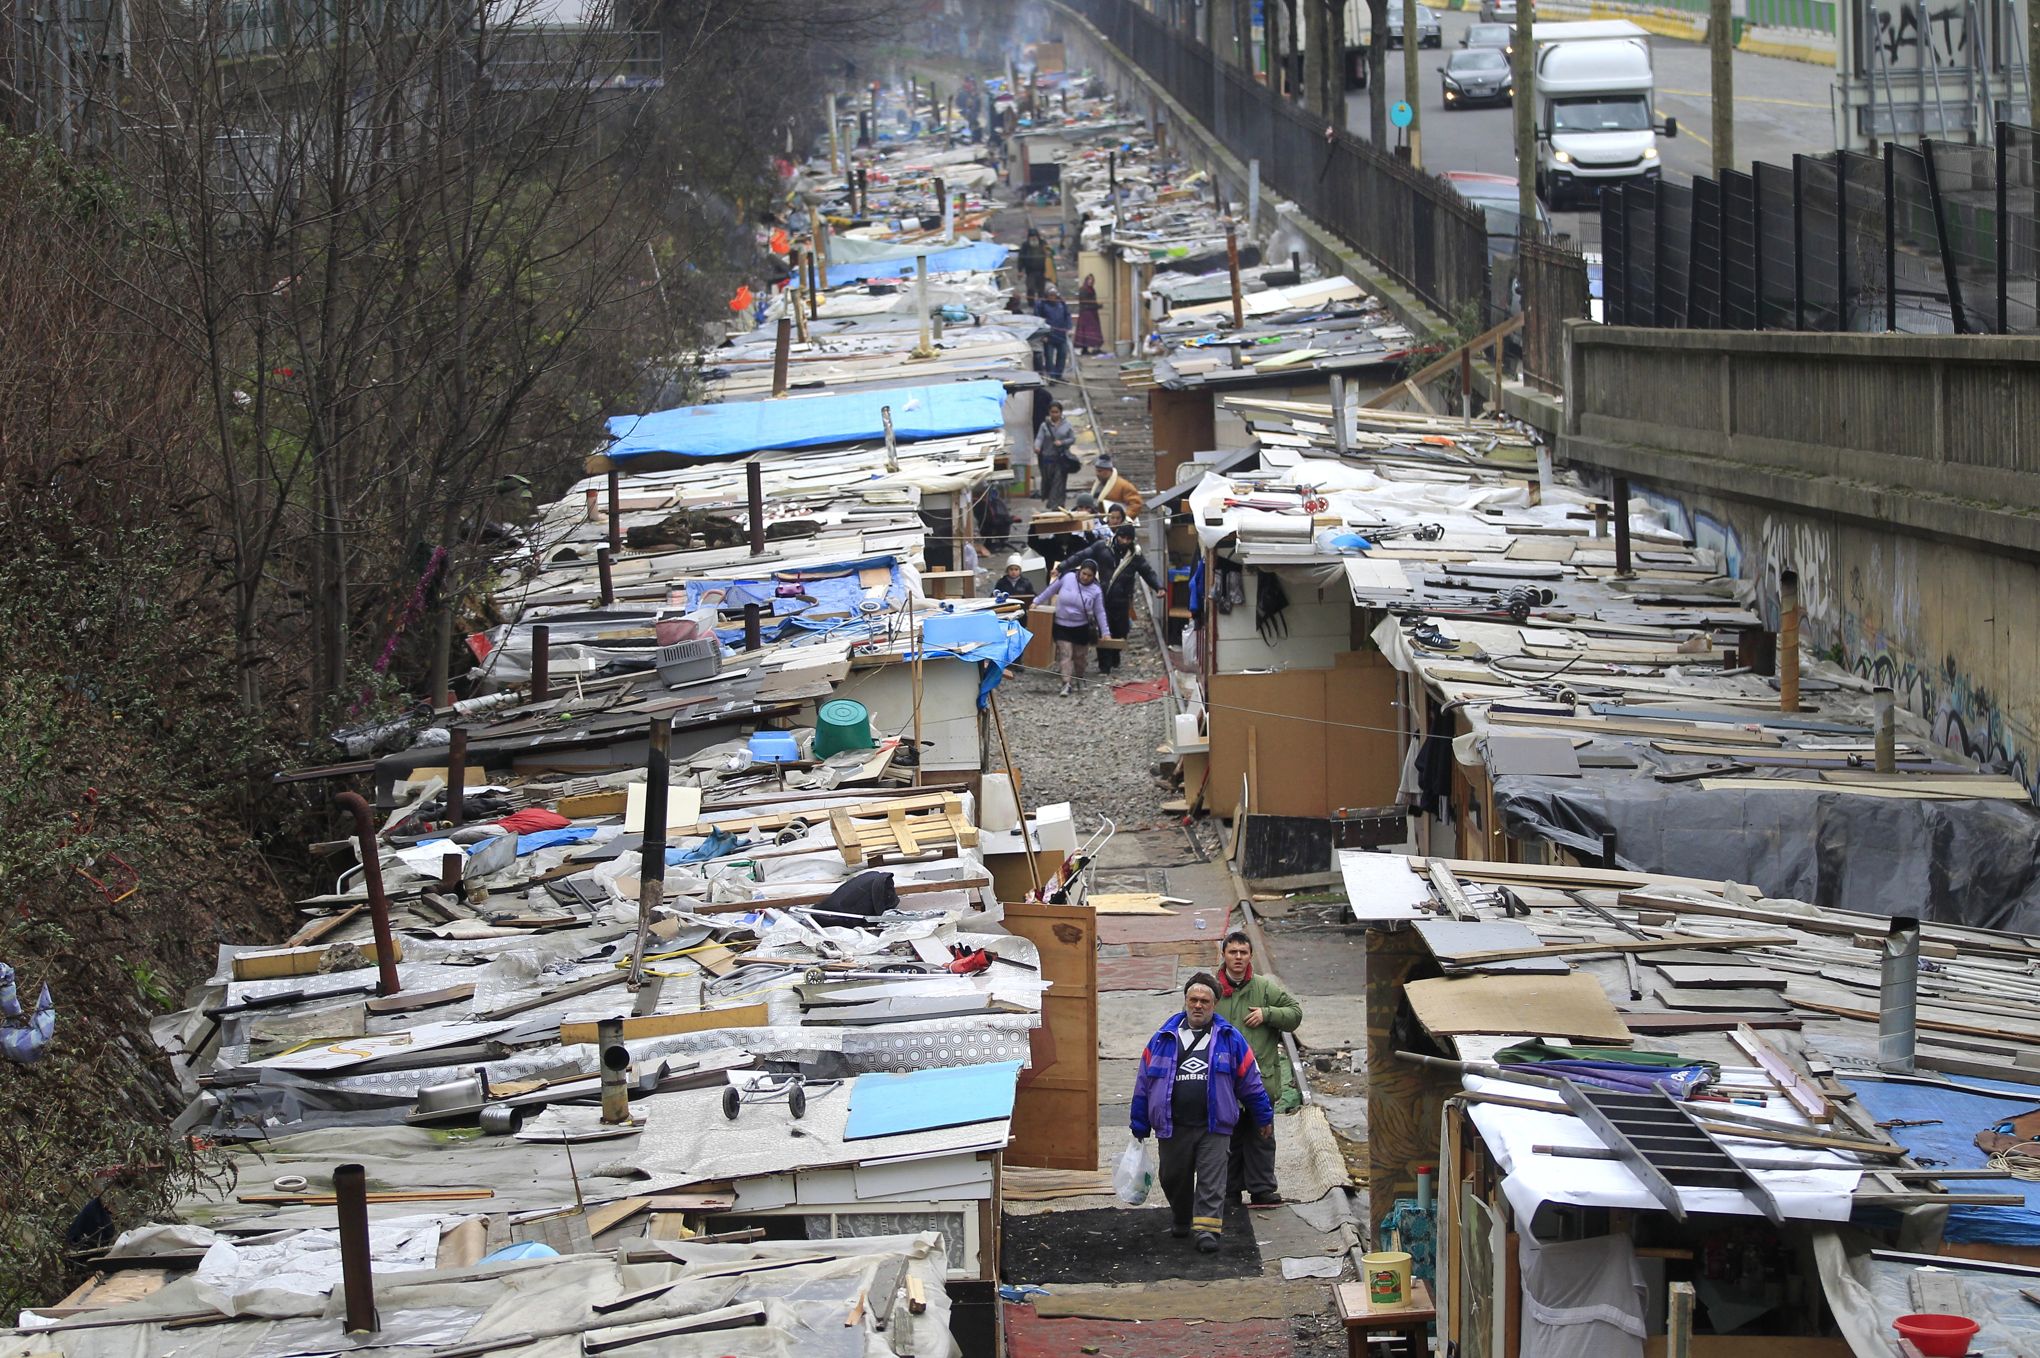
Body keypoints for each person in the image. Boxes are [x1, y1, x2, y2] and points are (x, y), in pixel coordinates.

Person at [1131, 972, 1274, 1253]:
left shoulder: (1230, 1040)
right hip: (1173, 1126)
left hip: (1214, 1126)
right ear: (1185, 1001)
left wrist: (1263, 1116)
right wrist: (1139, 1122)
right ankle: (1182, 1216)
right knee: (1173, 1177)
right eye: (1193, 1000)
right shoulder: (1162, 1039)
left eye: (1204, 1001)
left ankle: (1207, 1232)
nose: (1198, 1005)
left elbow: (1251, 1081)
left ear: (1215, 1004)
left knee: (1212, 1180)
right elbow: (1144, 1082)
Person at [1214, 931, 1302, 1208]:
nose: (1238, 957)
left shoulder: (1264, 988)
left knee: (1261, 1136)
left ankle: (1262, 1189)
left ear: (1250, 956)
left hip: (1259, 1080)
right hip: (1223, 1082)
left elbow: (1295, 1015)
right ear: (1224, 955)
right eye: (1233, 952)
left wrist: (1268, 1013)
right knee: (1226, 1139)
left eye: (1243, 952)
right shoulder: (1211, 988)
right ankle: (1229, 1190)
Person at [1034, 559, 1109, 697]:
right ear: (1080, 571)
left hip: (1081, 627)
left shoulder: (1096, 590)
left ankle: (1080, 677)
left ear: (1093, 577)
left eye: (1089, 575)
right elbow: (1051, 590)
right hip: (1061, 625)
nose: (1085, 577)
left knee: (1080, 657)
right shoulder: (1067, 578)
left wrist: (1105, 632)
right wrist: (1036, 602)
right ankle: (1066, 683)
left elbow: (1100, 611)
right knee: (1065, 654)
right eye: (1084, 573)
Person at [1092, 525, 1161, 676]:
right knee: (1103, 630)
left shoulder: (1135, 555)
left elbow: (1147, 572)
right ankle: (1104, 665)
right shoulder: (1102, 548)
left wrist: (1158, 587)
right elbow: (1082, 556)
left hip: (1122, 601)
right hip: (1102, 599)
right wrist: (1063, 567)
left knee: (1120, 631)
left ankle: (1114, 656)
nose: (1124, 541)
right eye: (1122, 537)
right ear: (1117, 536)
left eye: (1128, 538)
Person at [1032, 401, 1076, 510]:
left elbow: (1072, 439)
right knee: (1048, 481)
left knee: (1058, 482)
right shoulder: (1044, 425)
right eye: (1052, 412)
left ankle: (1055, 505)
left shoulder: (1067, 425)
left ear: (1061, 412)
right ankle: (1054, 502)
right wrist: (1037, 447)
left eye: (1057, 412)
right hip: (1047, 459)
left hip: (1060, 460)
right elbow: (1039, 438)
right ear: (1049, 412)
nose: (1054, 414)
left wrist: (1062, 442)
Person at [1034, 284, 1073, 380]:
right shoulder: (1041, 305)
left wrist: (1068, 328)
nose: (1052, 297)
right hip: (1049, 336)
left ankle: (1058, 375)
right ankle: (1051, 377)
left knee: (1062, 355)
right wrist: (1042, 334)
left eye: (1054, 295)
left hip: (1061, 335)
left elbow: (1067, 316)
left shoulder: (1061, 304)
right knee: (1049, 358)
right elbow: (1038, 320)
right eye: (1050, 295)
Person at [1091, 454, 1145, 519]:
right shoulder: (1098, 484)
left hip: (1118, 523)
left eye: (1100, 471)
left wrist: (1124, 518)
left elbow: (1136, 504)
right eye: (1096, 471)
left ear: (1109, 471)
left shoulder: (1124, 485)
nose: (1097, 474)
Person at [1074, 273, 1106, 355]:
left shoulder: (1091, 289)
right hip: (1086, 314)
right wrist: (1096, 306)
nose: (1090, 282)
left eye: (1092, 280)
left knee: (1094, 331)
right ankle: (1085, 348)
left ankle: (1095, 347)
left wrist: (1096, 306)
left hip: (1092, 313)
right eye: (1089, 280)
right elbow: (1085, 303)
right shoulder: (1083, 290)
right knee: (1087, 331)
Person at [1017, 227, 1049, 303]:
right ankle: (1031, 304)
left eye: (1035, 236)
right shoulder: (1025, 245)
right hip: (1030, 271)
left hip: (1042, 271)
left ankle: (1042, 304)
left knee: (1042, 289)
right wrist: (1020, 270)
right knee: (1030, 288)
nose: (1033, 238)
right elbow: (1021, 258)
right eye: (1031, 237)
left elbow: (1050, 254)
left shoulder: (1043, 243)